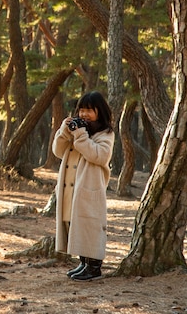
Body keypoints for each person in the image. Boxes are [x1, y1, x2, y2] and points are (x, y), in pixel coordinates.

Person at [52, 91, 114, 281]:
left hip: (89, 188)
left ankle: (94, 267)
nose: (84, 114)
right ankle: (84, 263)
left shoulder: (106, 134)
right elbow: (58, 151)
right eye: (82, 110)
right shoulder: (77, 131)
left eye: (89, 110)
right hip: (70, 189)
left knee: (90, 226)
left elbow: (99, 156)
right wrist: (64, 130)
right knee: (74, 224)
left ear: (99, 112)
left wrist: (80, 135)